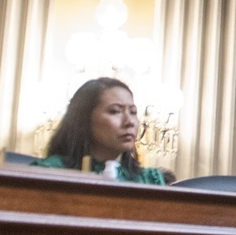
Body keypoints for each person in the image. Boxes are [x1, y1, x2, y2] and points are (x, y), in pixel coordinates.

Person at [34, 77, 167, 184]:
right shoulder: (50, 171)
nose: (129, 122)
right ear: (84, 119)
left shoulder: (150, 180)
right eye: (115, 111)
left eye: (133, 112)